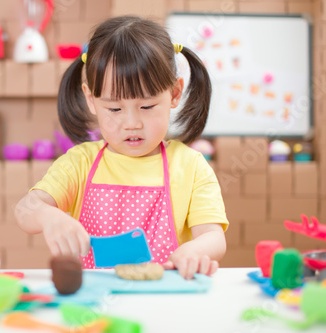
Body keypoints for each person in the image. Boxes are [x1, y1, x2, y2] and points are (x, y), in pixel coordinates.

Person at [15, 16, 228, 279]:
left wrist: (195, 251)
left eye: (147, 107)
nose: (132, 123)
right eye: (115, 109)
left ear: (174, 94)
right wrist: (49, 218)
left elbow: (213, 237)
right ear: (91, 100)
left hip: (165, 299)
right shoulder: (79, 164)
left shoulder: (191, 167)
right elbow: (25, 210)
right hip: (94, 305)